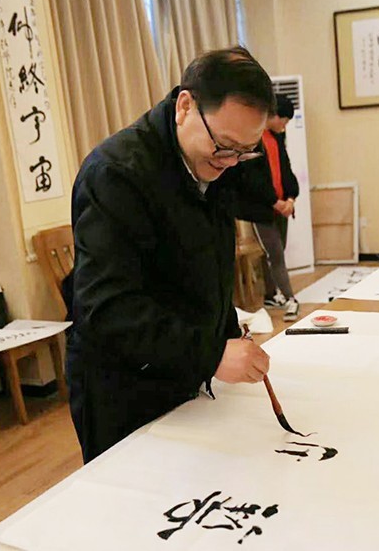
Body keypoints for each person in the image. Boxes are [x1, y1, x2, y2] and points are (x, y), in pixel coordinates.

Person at [64, 47, 274, 463]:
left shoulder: (218, 162)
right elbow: (107, 307)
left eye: (245, 150)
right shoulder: (117, 174)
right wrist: (210, 354)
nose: (231, 161)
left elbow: (208, 260)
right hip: (124, 387)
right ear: (184, 106)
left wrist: (226, 333)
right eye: (224, 146)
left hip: (184, 371)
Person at [240, 94, 300, 321]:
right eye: (284, 120)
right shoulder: (252, 139)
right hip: (263, 209)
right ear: (274, 116)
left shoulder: (277, 138)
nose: (285, 125)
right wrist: (275, 201)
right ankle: (290, 298)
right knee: (275, 253)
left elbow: (286, 170)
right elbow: (252, 179)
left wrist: (290, 199)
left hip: (282, 207)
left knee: (276, 251)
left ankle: (270, 295)